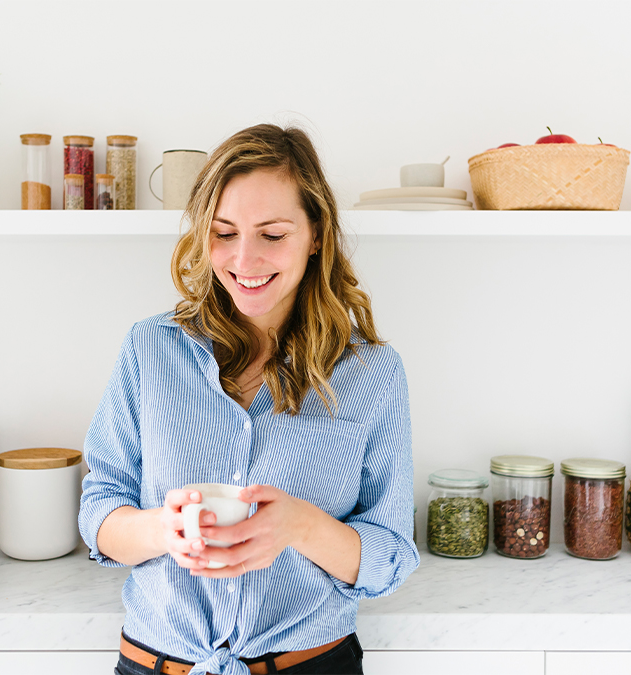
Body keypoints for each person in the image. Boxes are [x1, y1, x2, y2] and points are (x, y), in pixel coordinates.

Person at [79, 123, 419, 675]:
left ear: (316, 235)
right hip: (158, 662)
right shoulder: (150, 349)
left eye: (272, 234)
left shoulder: (373, 373)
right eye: (223, 231)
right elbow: (99, 512)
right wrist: (162, 530)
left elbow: (390, 558)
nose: (244, 258)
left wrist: (299, 526)